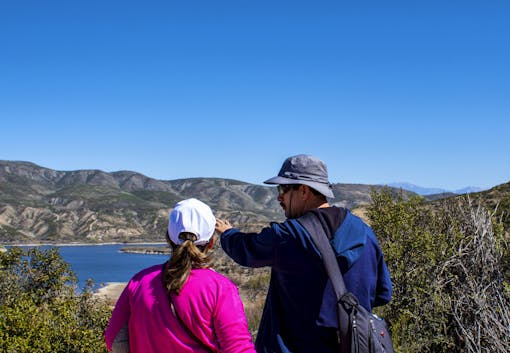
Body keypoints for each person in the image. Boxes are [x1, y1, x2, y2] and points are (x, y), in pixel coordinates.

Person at [216, 154, 393, 353]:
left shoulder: (289, 235)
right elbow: (383, 293)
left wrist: (228, 234)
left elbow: (246, 250)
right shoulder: (365, 233)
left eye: (283, 189)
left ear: (304, 190)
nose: (279, 197)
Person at [105, 198, 256, 353]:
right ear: (211, 242)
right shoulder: (220, 288)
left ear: (169, 238)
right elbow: (238, 348)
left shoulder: (139, 281)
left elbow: (114, 339)